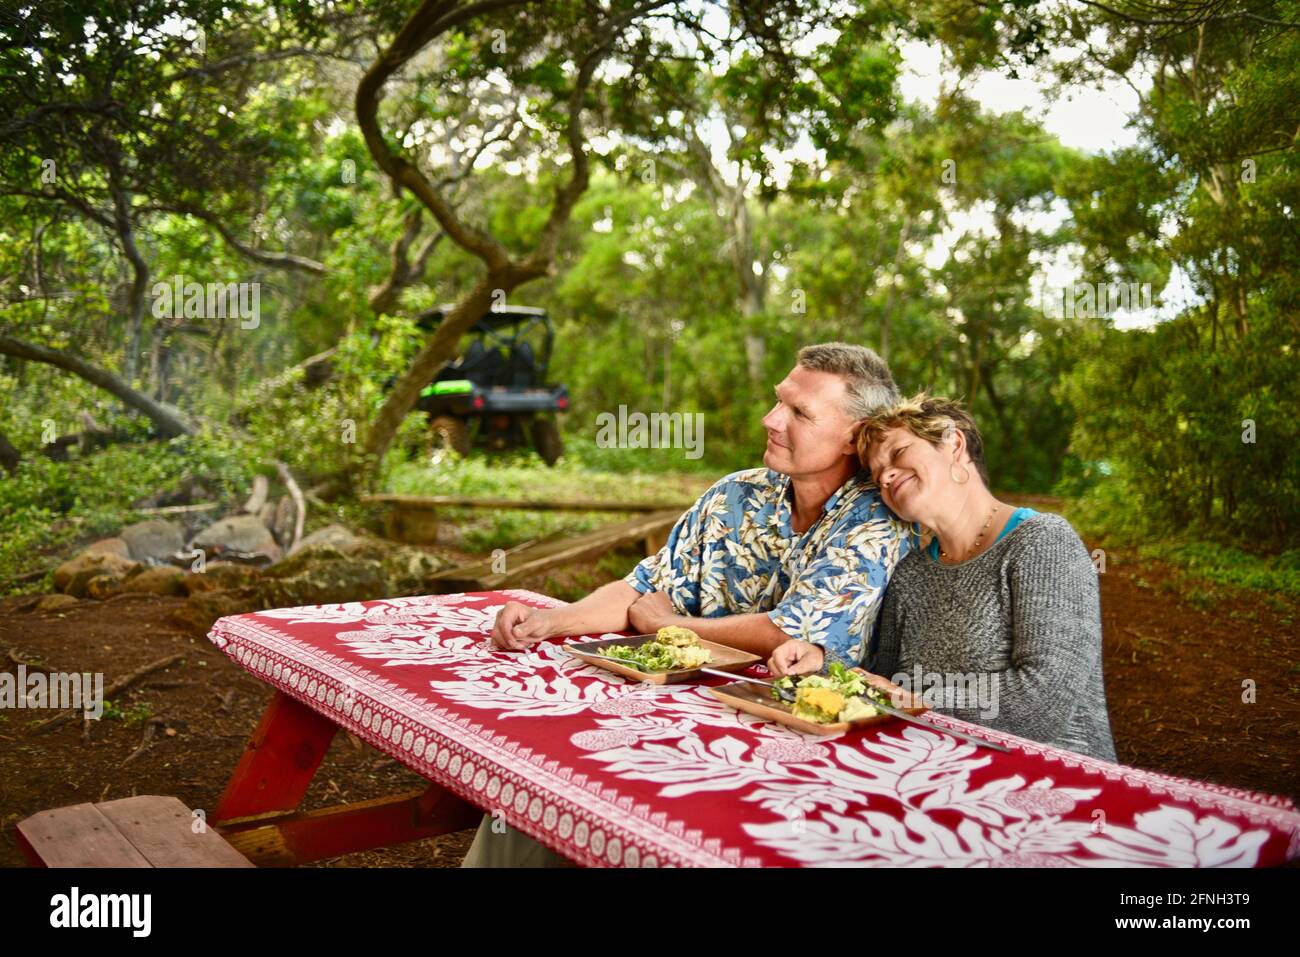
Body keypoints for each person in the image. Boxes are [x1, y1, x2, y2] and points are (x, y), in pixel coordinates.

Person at [462, 342, 918, 866]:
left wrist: (670, 625)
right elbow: (642, 588)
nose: (770, 420)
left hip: (790, 752)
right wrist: (547, 621)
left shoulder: (873, 521)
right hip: (682, 719)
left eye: (799, 412)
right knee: (545, 775)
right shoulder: (735, 495)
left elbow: (784, 633)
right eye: (778, 401)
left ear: (854, 437)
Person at [768, 392, 1117, 762]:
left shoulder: (1042, 543)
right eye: (875, 472)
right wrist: (821, 661)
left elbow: (1045, 701)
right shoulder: (910, 574)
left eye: (898, 454)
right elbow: (882, 681)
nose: (885, 475)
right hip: (937, 769)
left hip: (1057, 773)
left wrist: (916, 700)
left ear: (954, 444)